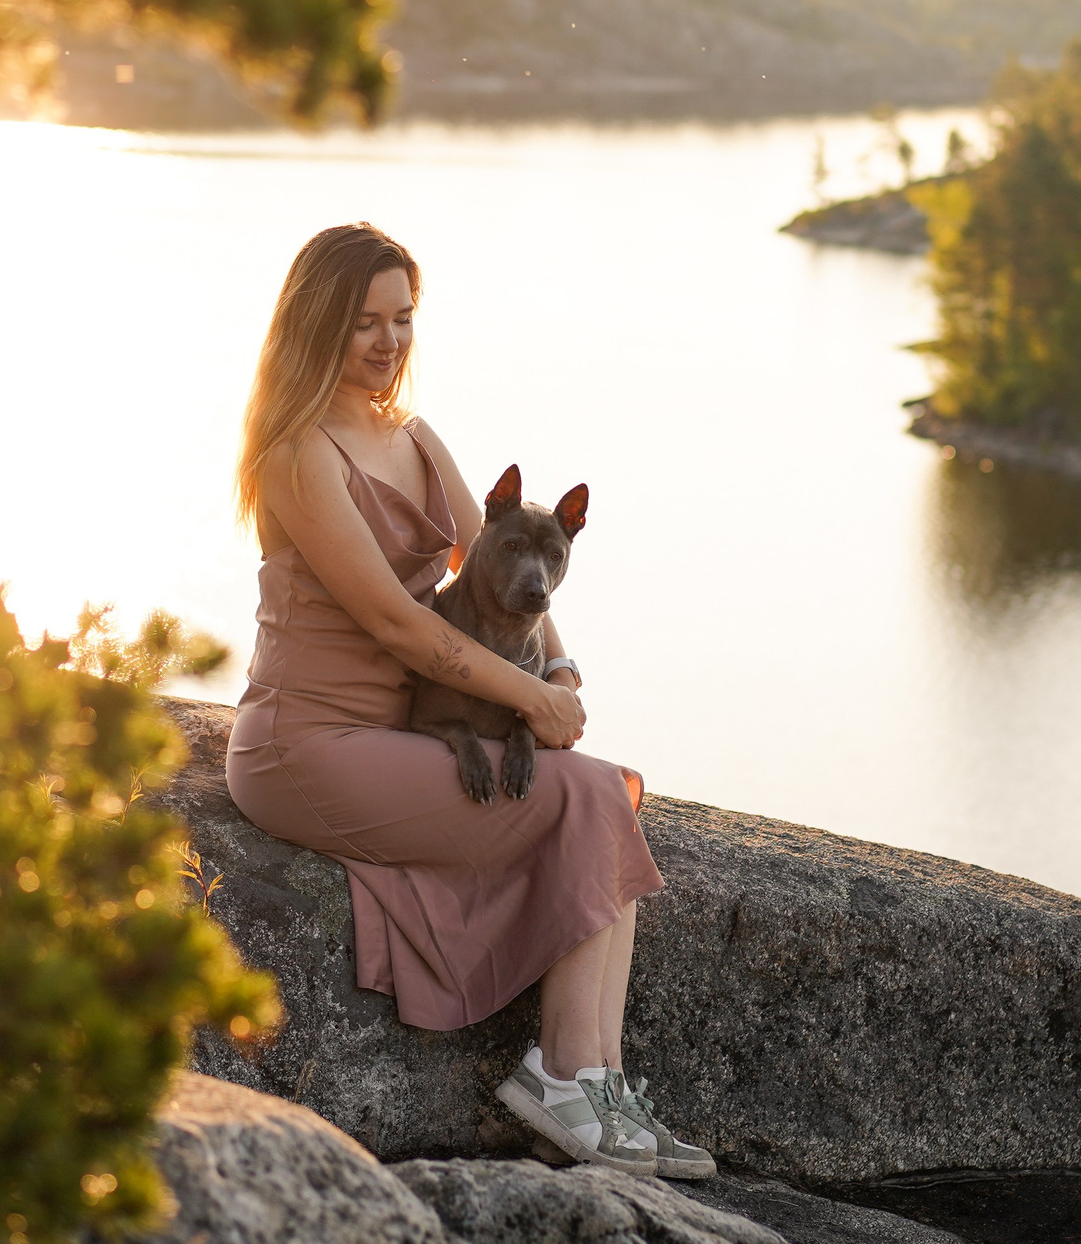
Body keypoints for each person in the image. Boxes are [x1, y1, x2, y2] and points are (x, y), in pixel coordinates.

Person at [225, 222, 714, 1180]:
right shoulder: (298, 451)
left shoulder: (413, 434)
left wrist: (560, 674)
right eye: (363, 321)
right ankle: (562, 1077)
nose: (388, 341)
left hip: (402, 731)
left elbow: (489, 566)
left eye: (403, 318)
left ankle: (601, 1081)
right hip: (310, 741)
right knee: (583, 795)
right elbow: (402, 629)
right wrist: (531, 698)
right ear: (315, 324)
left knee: (604, 793)